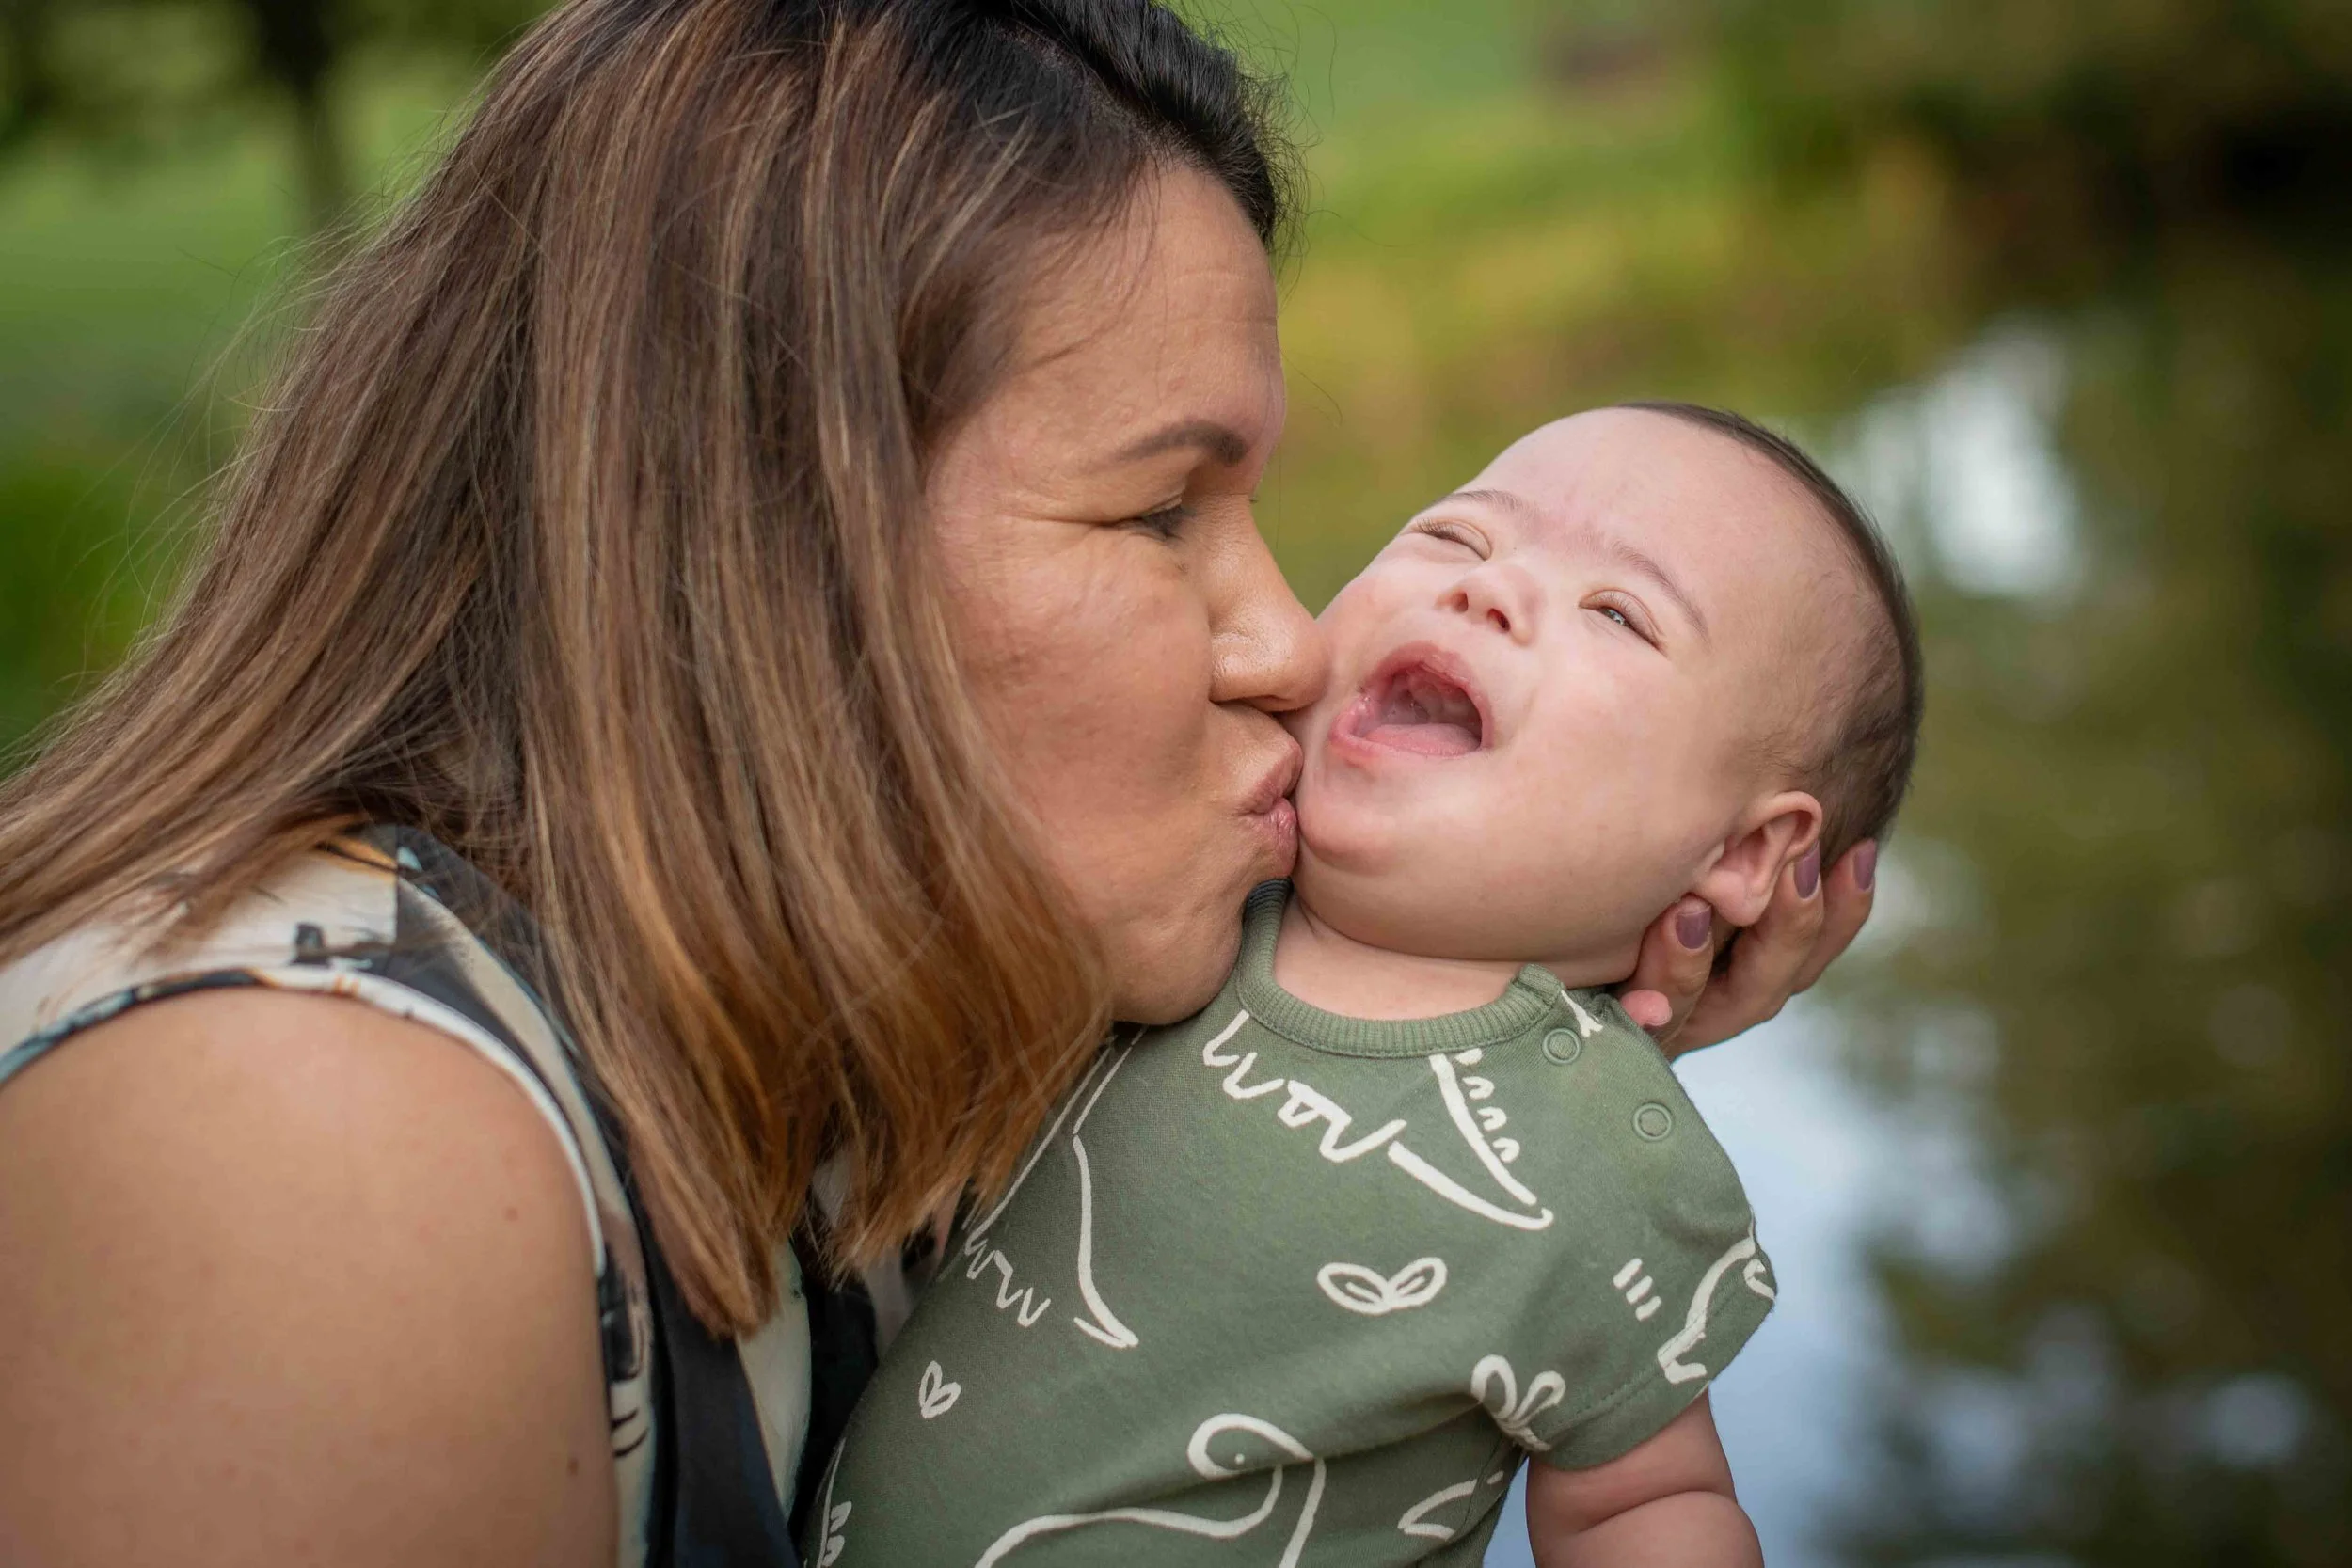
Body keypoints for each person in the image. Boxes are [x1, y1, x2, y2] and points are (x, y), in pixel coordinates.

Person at [0, 2, 1876, 1563]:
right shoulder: (302, 1146)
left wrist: (1536, 986)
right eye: (1161, 510)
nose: (1291, 642)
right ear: (773, 541)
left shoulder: (884, 1007)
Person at [810, 403, 1920, 1567]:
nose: (1487, 589)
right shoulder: (1170, 907)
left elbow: (1645, 1502)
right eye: (1454, 535)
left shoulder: (1605, 1160)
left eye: (1616, 612)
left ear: (1746, 854)